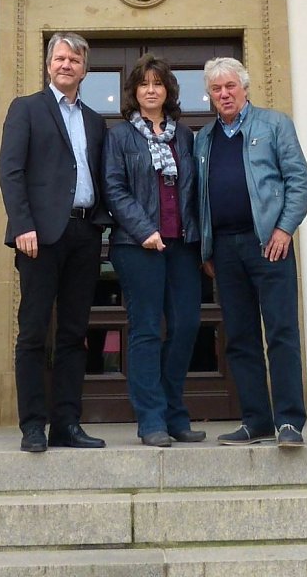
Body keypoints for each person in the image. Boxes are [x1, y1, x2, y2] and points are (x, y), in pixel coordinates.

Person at [0, 31, 112, 452]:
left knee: (73, 333)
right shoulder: (27, 109)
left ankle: (67, 423)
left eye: (75, 60)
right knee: (32, 332)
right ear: (49, 64)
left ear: (85, 69)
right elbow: (11, 170)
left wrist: (101, 224)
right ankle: (33, 425)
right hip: (39, 237)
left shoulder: (96, 120)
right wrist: (22, 224)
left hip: (84, 234)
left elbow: (99, 175)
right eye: (60, 58)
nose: (67, 65)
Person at [194, 57, 307, 447]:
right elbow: (199, 197)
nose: (224, 94)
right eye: (216, 89)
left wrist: (284, 228)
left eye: (230, 86)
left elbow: (300, 182)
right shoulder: (204, 139)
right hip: (225, 250)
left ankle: (290, 422)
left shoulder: (274, 124)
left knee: (281, 332)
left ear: (245, 87)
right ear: (210, 95)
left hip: (269, 245)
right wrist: (206, 246)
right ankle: (256, 421)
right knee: (241, 338)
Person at [102, 54, 206, 447]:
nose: (151, 90)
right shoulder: (119, 137)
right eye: (143, 84)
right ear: (133, 92)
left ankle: (175, 413)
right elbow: (114, 188)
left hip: (181, 245)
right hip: (137, 246)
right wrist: (144, 229)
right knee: (146, 331)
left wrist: (199, 239)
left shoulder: (184, 136)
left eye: (158, 83)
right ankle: (151, 420)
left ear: (168, 90)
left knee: (185, 327)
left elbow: (193, 192)